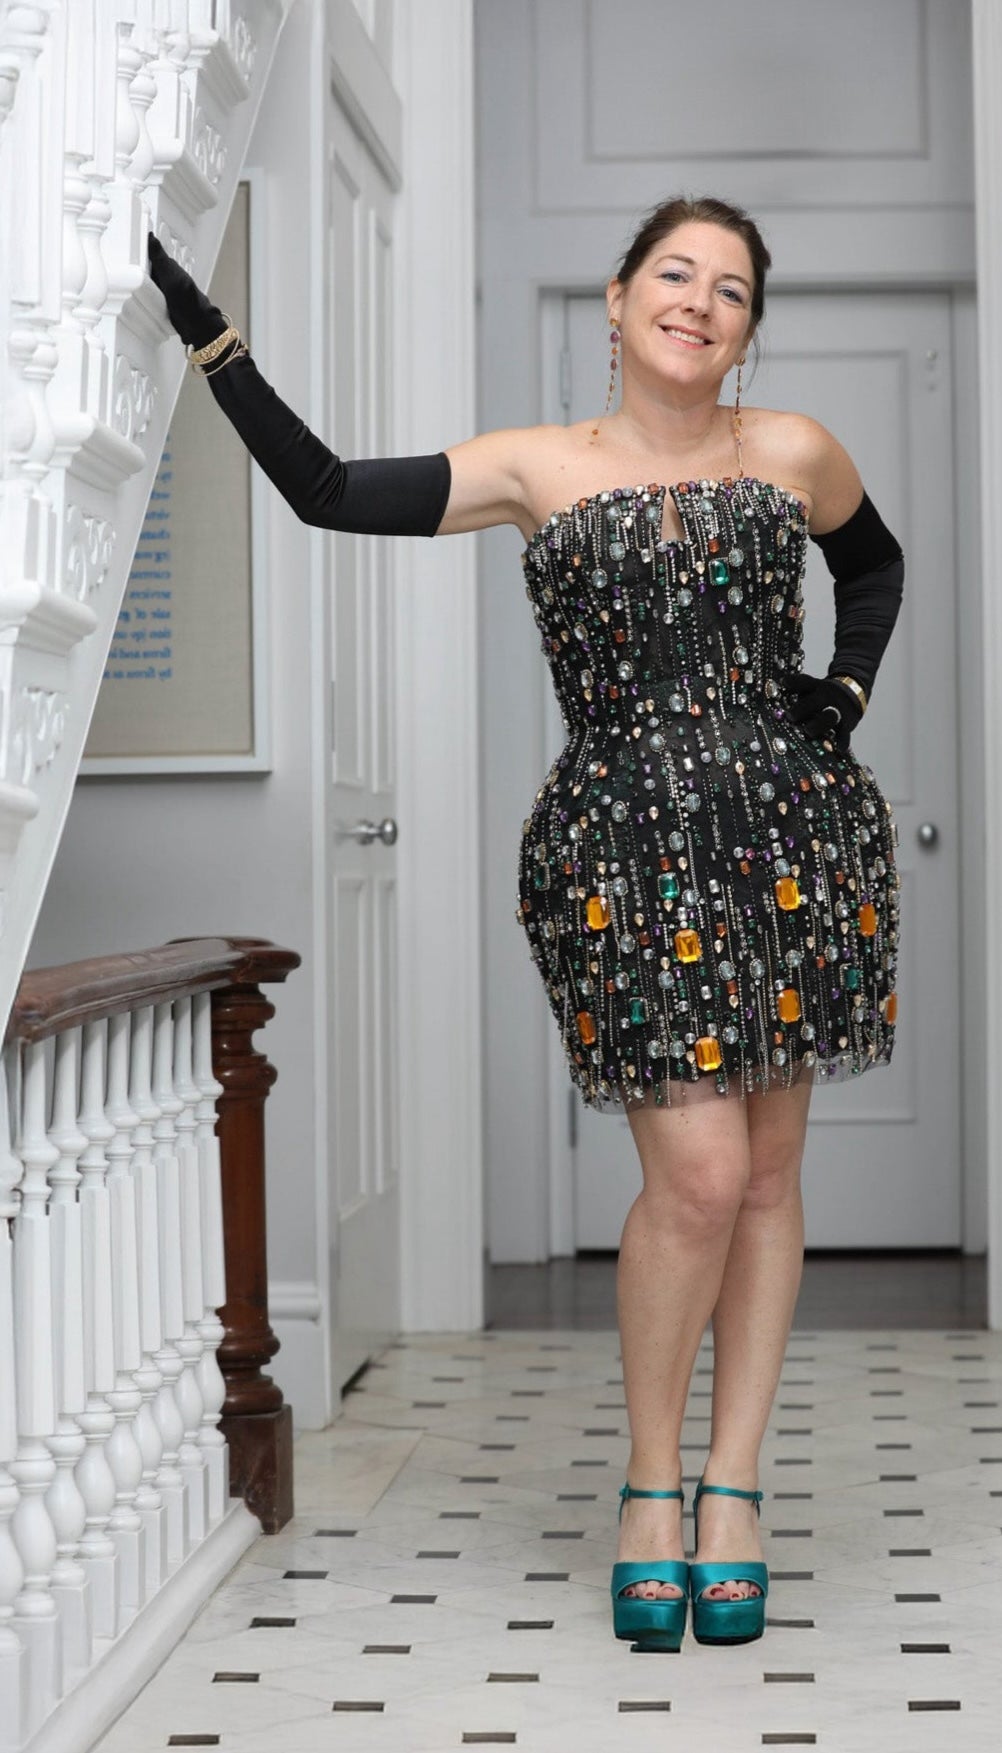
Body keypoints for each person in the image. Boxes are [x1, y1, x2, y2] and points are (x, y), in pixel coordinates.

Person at [148, 193, 904, 1653]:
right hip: (619, 853)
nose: (699, 301)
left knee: (763, 1177)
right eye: (672, 274)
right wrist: (207, 335)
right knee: (694, 1173)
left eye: (730, 288)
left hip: (794, 847)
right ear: (616, 303)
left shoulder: (794, 450)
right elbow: (321, 487)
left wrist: (846, 693)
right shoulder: (532, 466)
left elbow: (868, 568)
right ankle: (646, 1482)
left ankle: (733, 1486)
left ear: (748, 329)